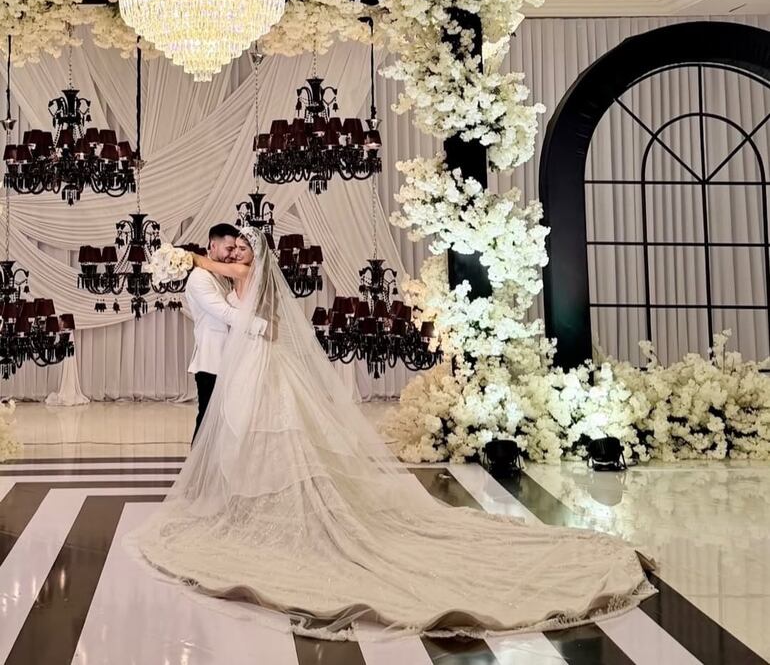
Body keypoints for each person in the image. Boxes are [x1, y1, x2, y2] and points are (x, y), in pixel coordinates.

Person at [133, 226, 655, 641]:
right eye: (233, 246)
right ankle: (245, 504)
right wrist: (191, 261)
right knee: (244, 433)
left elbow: (236, 291)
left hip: (257, 359)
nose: (237, 250)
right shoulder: (228, 275)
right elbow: (226, 290)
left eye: (244, 245)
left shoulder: (241, 272)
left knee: (275, 432)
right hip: (246, 362)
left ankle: (266, 507)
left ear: (251, 254)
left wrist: (192, 258)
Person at [184, 223, 267, 443]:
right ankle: (198, 473)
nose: (233, 254)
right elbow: (223, 313)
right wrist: (260, 326)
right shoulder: (200, 277)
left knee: (228, 423)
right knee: (207, 422)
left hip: (234, 358)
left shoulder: (224, 274)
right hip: (212, 360)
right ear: (213, 245)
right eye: (230, 249)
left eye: (238, 249)